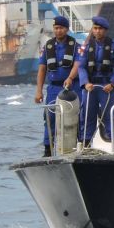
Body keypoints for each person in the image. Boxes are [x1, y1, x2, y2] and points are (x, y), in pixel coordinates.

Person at [34, 15, 78, 156]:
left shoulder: (75, 46)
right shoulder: (48, 47)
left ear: (67, 29)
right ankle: (48, 149)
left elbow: (77, 64)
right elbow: (42, 69)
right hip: (53, 88)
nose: (58, 31)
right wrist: (38, 91)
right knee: (50, 118)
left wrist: (70, 77)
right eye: (56, 28)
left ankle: (77, 147)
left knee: (76, 117)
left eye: (61, 28)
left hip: (71, 88)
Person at [76, 16, 114, 147]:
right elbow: (81, 66)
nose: (97, 31)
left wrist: (113, 83)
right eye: (95, 28)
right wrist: (85, 83)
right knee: (87, 116)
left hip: (106, 87)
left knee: (110, 116)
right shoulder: (86, 47)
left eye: (100, 29)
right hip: (90, 87)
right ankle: (85, 145)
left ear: (105, 30)